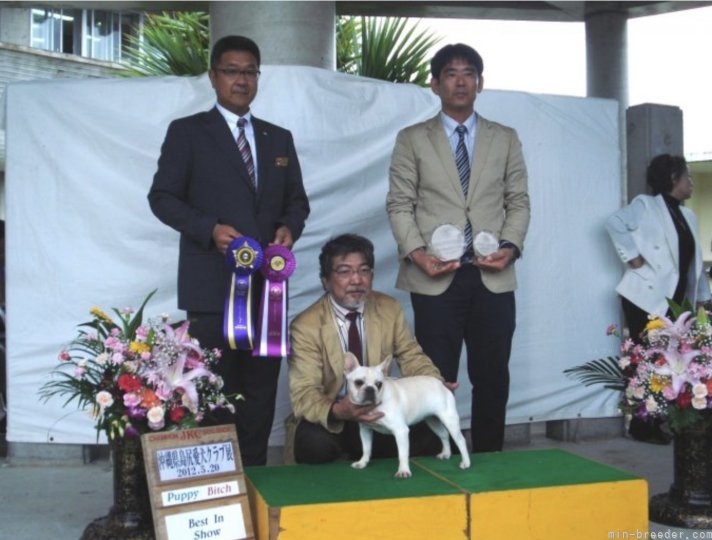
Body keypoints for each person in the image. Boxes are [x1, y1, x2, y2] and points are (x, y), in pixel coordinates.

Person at [148, 35, 310, 466]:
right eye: (232, 71)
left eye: (250, 71)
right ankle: (221, 492)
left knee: (259, 395)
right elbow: (162, 197)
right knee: (214, 393)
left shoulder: (279, 138)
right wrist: (210, 229)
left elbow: (298, 202)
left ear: (259, 77)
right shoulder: (187, 133)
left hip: (268, 291)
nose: (242, 80)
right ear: (213, 76)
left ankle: (255, 480)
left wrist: (287, 228)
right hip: (210, 288)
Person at [386, 44, 530, 453]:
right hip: (434, 277)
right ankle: (435, 460)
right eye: (451, 73)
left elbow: (518, 201)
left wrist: (511, 247)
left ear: (481, 83)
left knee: (492, 374)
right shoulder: (412, 139)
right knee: (433, 378)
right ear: (435, 84)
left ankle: (488, 457)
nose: (461, 80)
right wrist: (418, 255)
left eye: (469, 73)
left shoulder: (505, 138)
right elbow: (399, 203)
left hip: (493, 273)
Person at [286, 234, 452, 465]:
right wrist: (338, 410)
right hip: (337, 417)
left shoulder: (389, 308)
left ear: (372, 276)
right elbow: (304, 392)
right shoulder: (305, 326)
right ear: (325, 280)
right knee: (312, 444)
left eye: (364, 271)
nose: (356, 280)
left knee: (435, 435)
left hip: (383, 410)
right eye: (344, 272)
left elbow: (411, 356)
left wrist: (435, 383)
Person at [606, 153, 710, 444]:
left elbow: (695, 262)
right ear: (673, 178)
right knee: (646, 358)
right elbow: (614, 223)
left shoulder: (688, 215)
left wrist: (701, 299)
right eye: (687, 176)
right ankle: (642, 425)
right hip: (644, 295)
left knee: (671, 360)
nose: (692, 182)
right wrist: (633, 258)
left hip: (677, 300)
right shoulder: (645, 204)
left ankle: (662, 419)